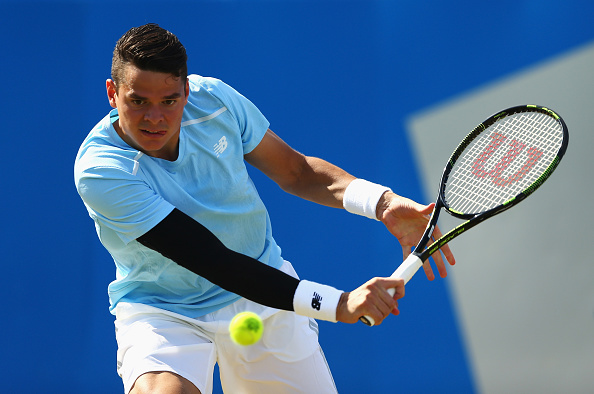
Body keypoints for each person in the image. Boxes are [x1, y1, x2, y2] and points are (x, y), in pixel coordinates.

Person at [74, 23, 455, 394]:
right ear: (113, 93)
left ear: (187, 91)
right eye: (138, 101)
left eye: (169, 101)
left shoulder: (216, 101)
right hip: (164, 310)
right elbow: (211, 259)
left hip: (264, 290)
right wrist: (338, 304)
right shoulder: (102, 170)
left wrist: (382, 202)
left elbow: (297, 171)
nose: (154, 118)